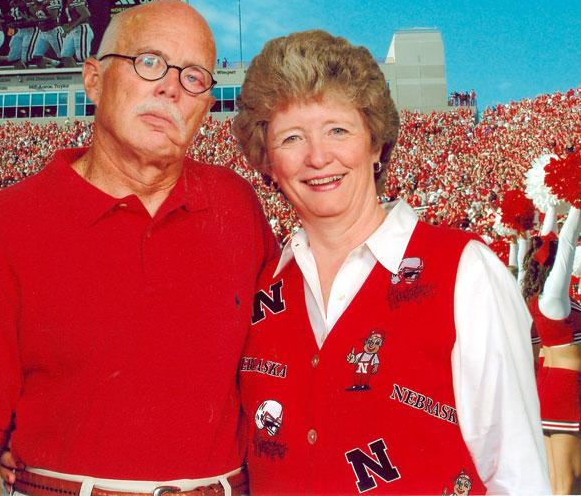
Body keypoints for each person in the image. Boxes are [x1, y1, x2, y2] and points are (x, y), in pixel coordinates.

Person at [0, 0, 277, 496]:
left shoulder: (236, 206)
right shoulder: (4, 224)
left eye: (194, 76)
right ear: (93, 79)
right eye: (149, 62)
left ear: (206, 105)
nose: (171, 87)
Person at [231, 29, 550, 494]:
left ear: (376, 144)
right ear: (268, 163)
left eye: (338, 129)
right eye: (292, 138)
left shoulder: (466, 271)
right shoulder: (259, 290)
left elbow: (518, 475)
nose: (318, 156)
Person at [522, 207, 581, 494]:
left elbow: (552, 238)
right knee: (568, 482)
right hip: (566, 390)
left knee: (554, 479)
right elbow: (567, 244)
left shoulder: (540, 299)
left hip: (549, 387)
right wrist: (577, 205)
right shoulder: (553, 300)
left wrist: (552, 206)